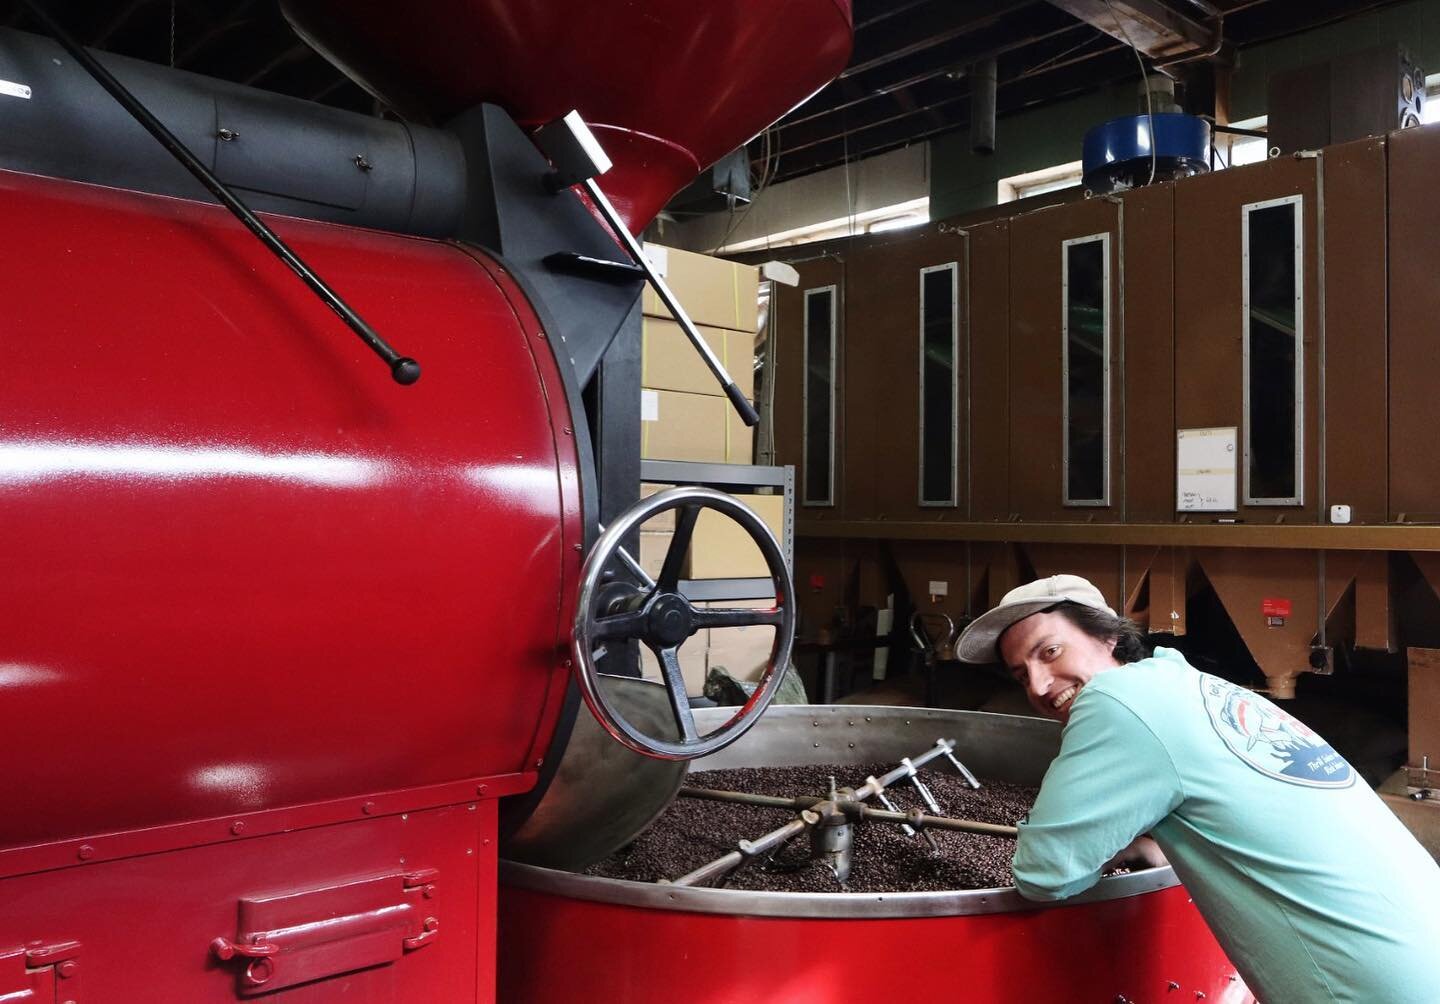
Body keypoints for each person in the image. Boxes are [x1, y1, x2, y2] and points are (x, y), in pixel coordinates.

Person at [955, 574, 1440, 1004]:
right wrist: (1145, 843)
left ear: (1107, 636)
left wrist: (1101, 847)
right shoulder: (1188, 683)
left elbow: (1044, 873)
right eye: (1022, 674)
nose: (1039, 684)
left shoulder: (1114, 703)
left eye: (1050, 651)